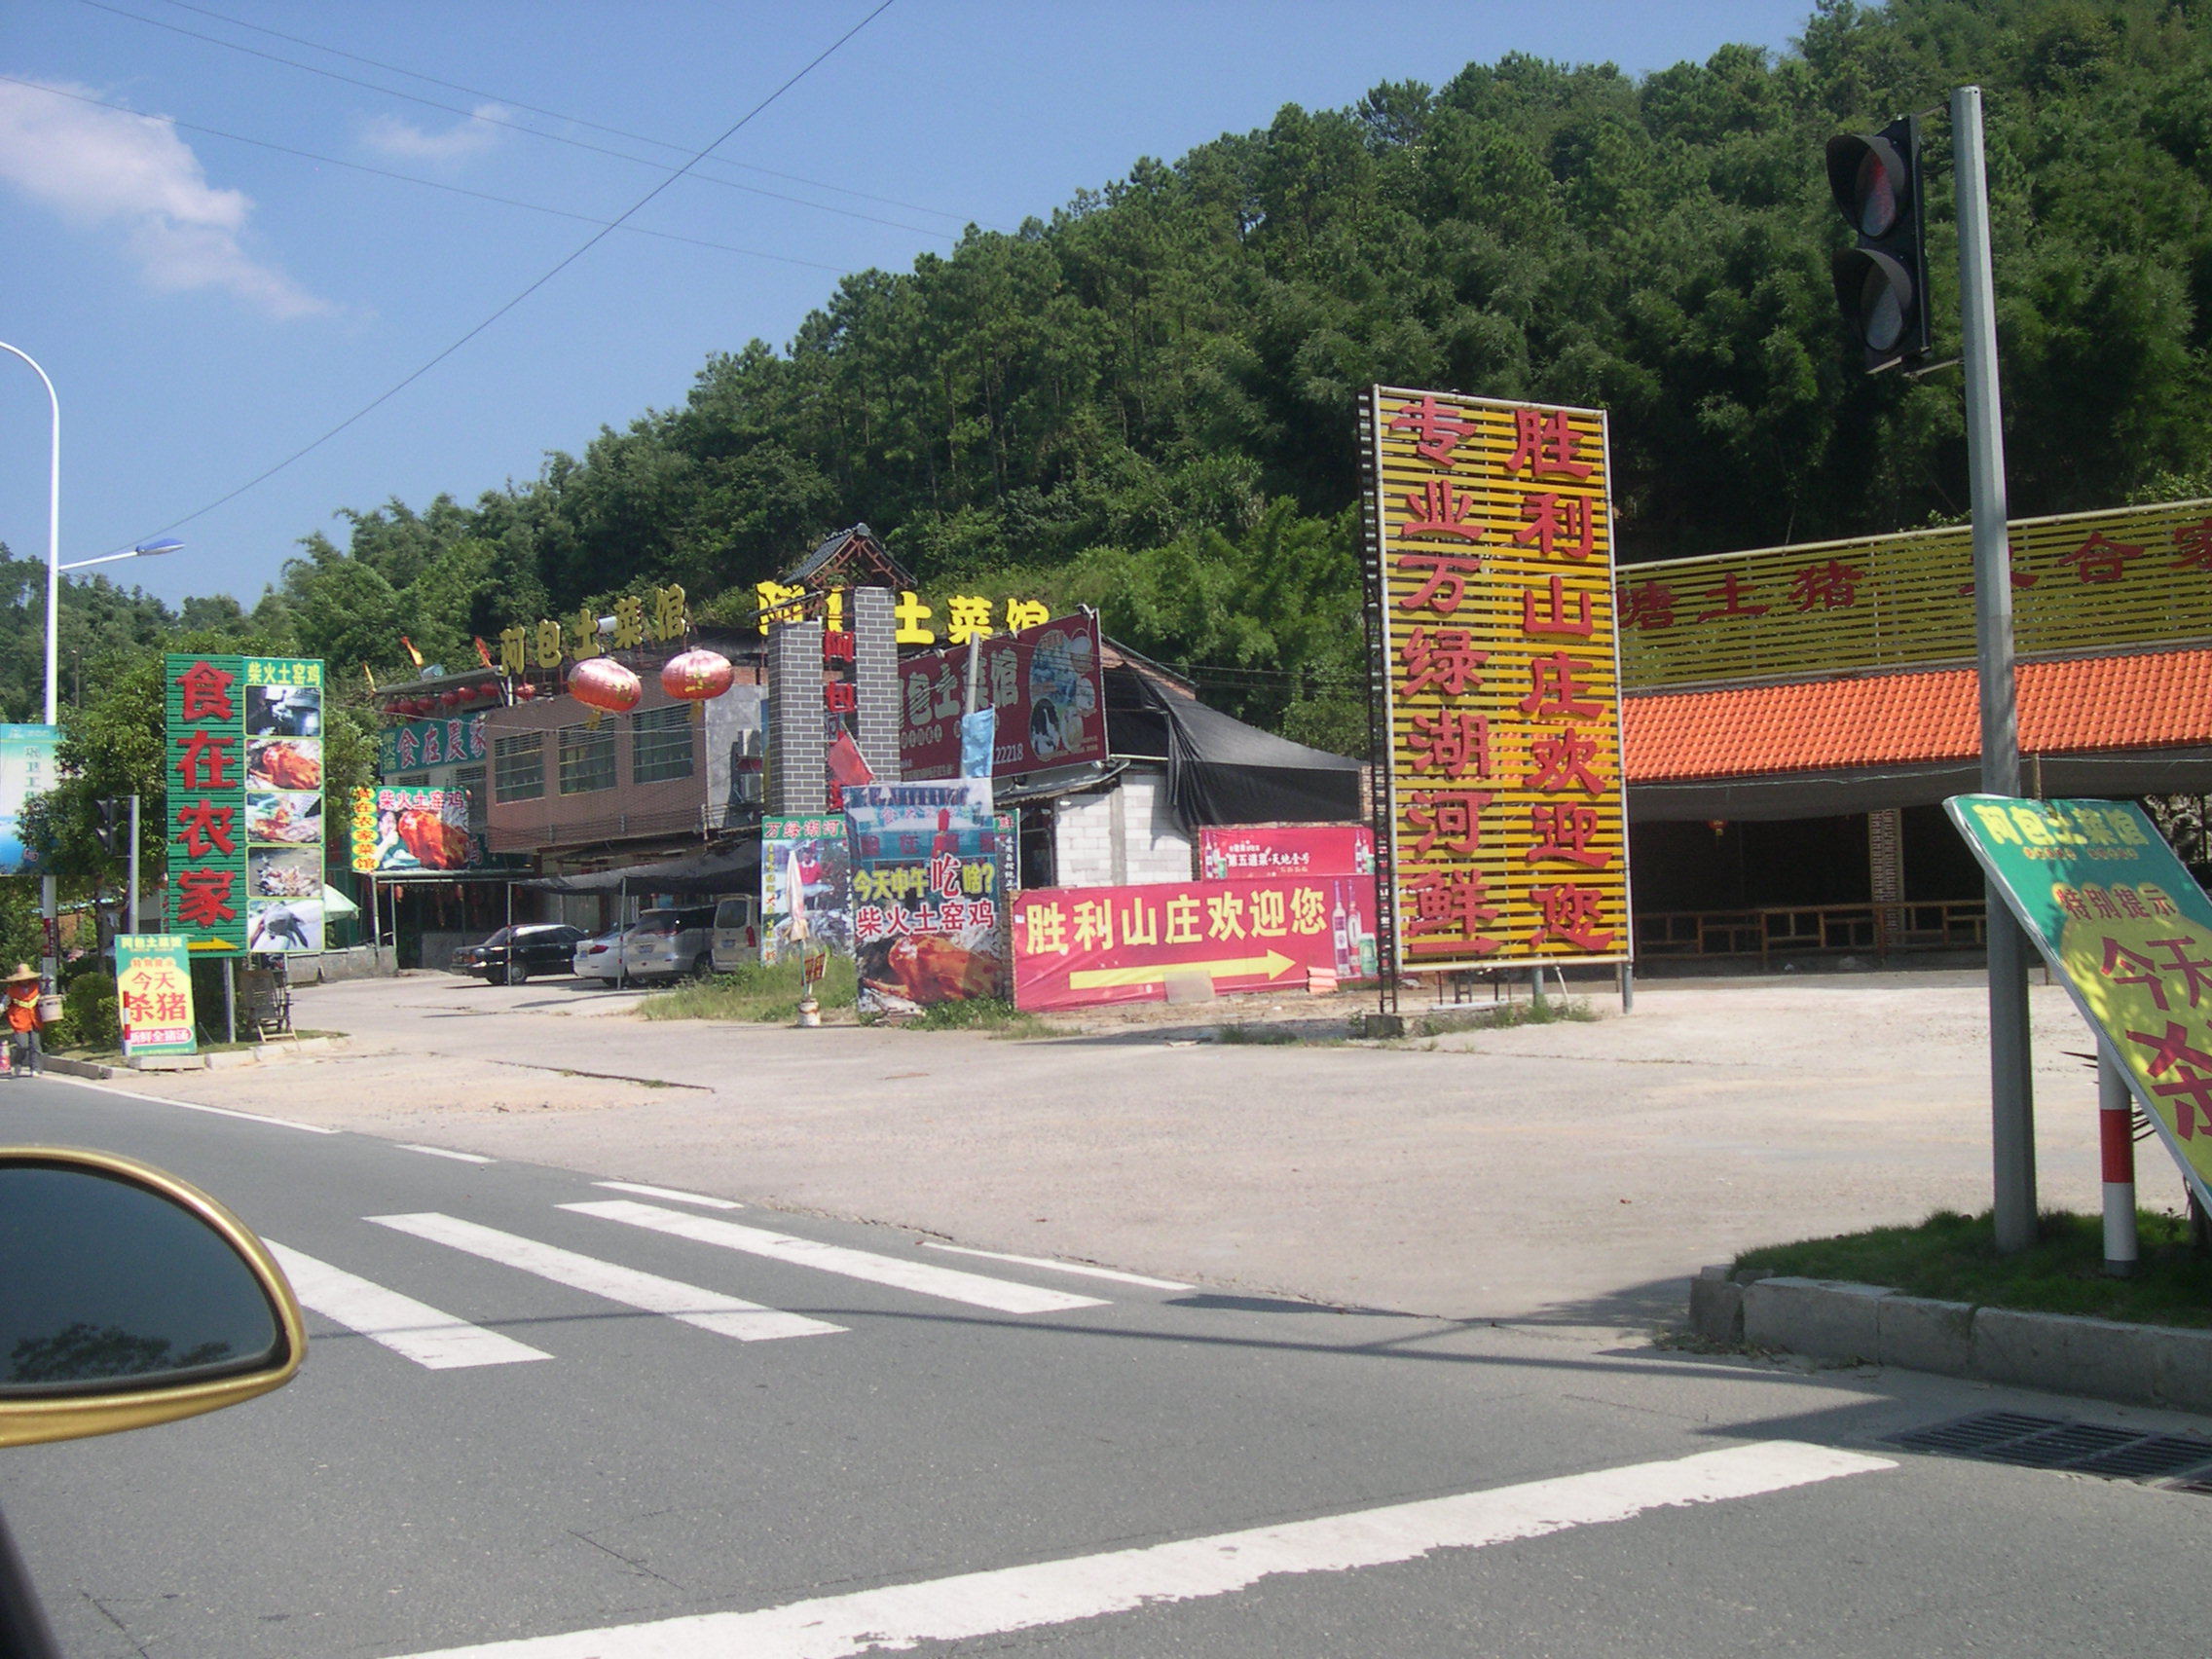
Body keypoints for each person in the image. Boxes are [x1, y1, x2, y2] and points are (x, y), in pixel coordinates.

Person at [4, 963, 45, 1077]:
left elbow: (45, 997)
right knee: (22, 1045)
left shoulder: (37, 986)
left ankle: (36, 1068)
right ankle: (17, 1064)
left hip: (35, 1019)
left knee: (35, 1045)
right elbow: (5, 1002)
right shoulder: (12, 990)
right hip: (19, 1020)